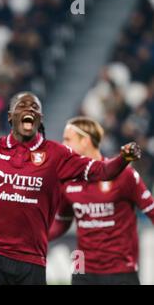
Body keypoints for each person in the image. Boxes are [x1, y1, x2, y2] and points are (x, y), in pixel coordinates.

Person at [0, 92, 141, 285]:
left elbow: (102, 171)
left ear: (40, 119)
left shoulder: (58, 155)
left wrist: (124, 159)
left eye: (35, 107)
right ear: (10, 115)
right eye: (23, 105)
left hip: (30, 260)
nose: (30, 108)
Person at [48, 116, 154, 285]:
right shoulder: (67, 180)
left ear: (86, 141)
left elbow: (151, 211)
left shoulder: (125, 175)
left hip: (120, 271)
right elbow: (62, 222)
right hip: (82, 269)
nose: (63, 145)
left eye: (68, 139)